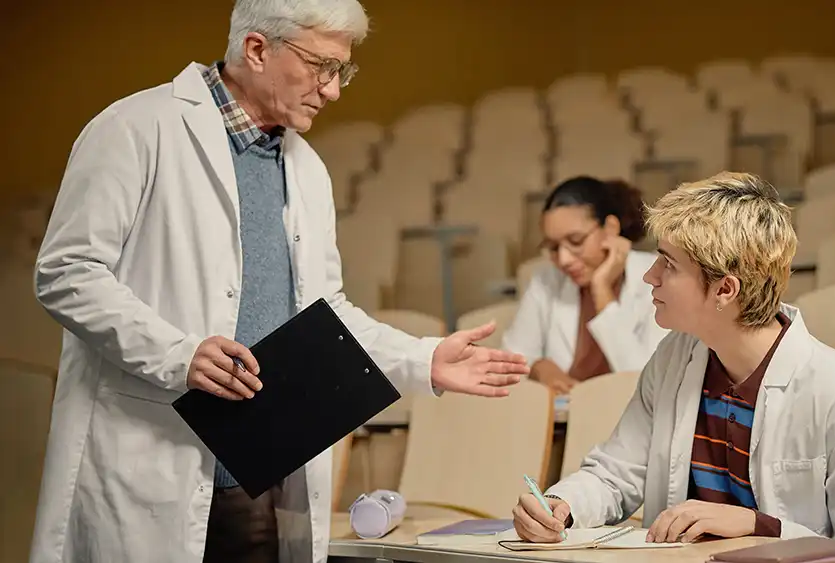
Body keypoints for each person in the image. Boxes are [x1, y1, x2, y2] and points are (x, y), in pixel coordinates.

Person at [28, 1, 529, 562]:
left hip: (259, 475)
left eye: (342, 70)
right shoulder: (134, 129)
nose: (333, 90)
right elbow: (66, 272)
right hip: (147, 464)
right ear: (257, 49)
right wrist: (178, 353)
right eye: (323, 66)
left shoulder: (306, 167)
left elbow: (324, 313)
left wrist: (422, 358)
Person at [511, 172, 835, 545]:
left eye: (669, 263)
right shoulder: (673, 358)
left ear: (725, 290)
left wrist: (759, 526)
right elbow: (616, 474)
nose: (650, 276)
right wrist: (563, 506)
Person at [502, 176, 668, 394]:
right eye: (553, 247)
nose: (564, 259)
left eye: (576, 241)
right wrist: (539, 368)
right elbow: (510, 360)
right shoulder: (546, 280)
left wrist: (602, 291)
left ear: (610, 228)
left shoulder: (659, 279)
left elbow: (646, 384)